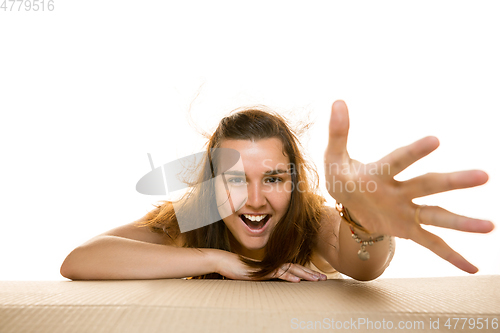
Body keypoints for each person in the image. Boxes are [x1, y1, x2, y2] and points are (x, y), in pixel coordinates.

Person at [60, 100, 494, 282]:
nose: (254, 199)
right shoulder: (194, 217)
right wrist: (220, 260)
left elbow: (363, 269)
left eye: (272, 178)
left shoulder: (311, 218)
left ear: (294, 181)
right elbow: (79, 260)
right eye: (234, 179)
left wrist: (364, 220)